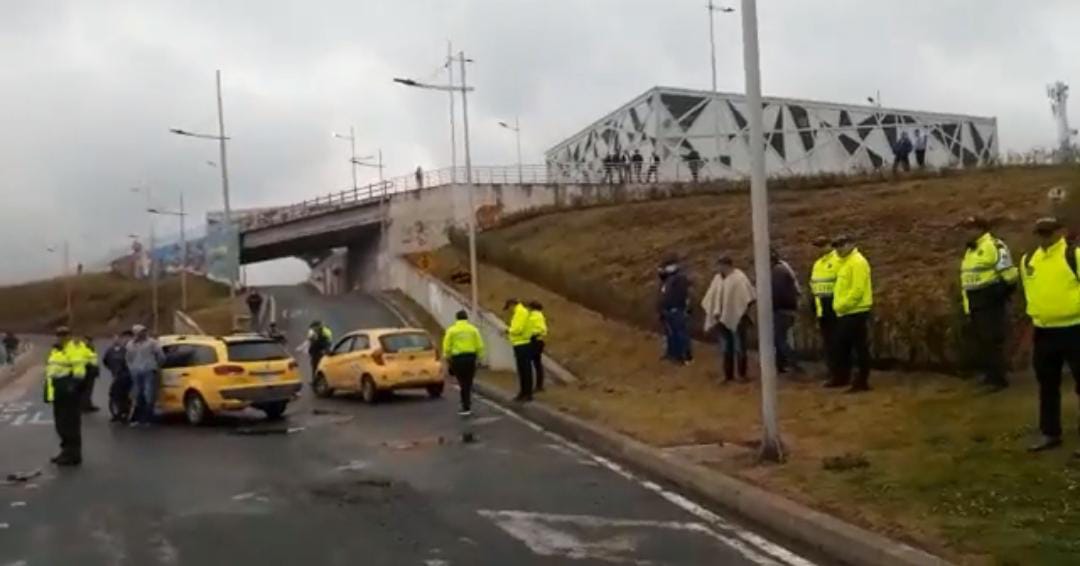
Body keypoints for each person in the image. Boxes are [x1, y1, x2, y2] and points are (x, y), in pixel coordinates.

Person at [1020, 218, 1080, 453]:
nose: (1044, 238)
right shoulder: (1029, 261)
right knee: (1047, 384)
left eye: (1049, 233)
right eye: (1040, 233)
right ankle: (1050, 433)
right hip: (1044, 332)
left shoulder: (1073, 256)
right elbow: (1031, 295)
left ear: (1061, 232)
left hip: (1075, 328)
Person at [959, 216, 1018, 391]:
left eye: (970, 229)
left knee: (992, 341)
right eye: (965, 229)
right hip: (975, 302)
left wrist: (996, 296)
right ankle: (989, 375)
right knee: (982, 342)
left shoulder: (994, 246)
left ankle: (998, 379)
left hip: (990, 302)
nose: (966, 233)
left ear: (981, 229)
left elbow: (1010, 276)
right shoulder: (971, 250)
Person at [827, 235, 874, 392]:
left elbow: (858, 290)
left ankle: (861, 380)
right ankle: (843, 377)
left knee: (858, 347)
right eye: (836, 247)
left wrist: (842, 305)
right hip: (846, 311)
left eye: (841, 246)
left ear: (850, 245)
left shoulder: (858, 262)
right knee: (843, 346)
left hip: (855, 311)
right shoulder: (846, 263)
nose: (838, 250)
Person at [701, 256, 755, 382]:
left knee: (739, 347)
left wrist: (742, 312)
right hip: (721, 318)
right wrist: (715, 311)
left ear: (727, 265)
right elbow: (712, 296)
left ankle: (742, 374)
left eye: (721, 265)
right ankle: (728, 375)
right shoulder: (717, 279)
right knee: (726, 347)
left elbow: (747, 297)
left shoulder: (739, 278)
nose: (719, 268)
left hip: (739, 319)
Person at [45, 326, 85, 466]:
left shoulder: (72, 350)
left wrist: (72, 386)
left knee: (70, 424)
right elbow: (51, 371)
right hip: (58, 391)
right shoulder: (55, 350)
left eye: (64, 335)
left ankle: (73, 454)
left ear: (69, 336)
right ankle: (65, 451)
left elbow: (79, 371)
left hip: (69, 391)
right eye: (59, 335)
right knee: (60, 424)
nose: (61, 337)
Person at [809, 237, 841, 381]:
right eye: (818, 246)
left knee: (837, 342)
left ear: (830, 245)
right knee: (828, 342)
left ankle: (839, 371)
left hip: (835, 307)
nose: (820, 249)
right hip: (822, 309)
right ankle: (831, 370)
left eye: (822, 246)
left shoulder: (837, 261)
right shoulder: (817, 264)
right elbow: (814, 286)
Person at [442, 310, 486, 416]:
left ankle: (465, 405)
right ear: (467, 318)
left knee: (462, 382)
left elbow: (447, 345)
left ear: (457, 318)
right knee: (468, 381)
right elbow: (480, 345)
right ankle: (467, 403)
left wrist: (447, 357)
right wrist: (480, 358)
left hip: (458, 358)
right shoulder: (473, 330)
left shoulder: (452, 330)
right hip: (470, 357)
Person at [125, 324, 165, 427]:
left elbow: (161, 356)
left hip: (149, 371)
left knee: (149, 395)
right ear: (135, 333)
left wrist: (156, 366)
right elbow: (128, 358)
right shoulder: (130, 345)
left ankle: (149, 419)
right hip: (136, 372)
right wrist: (131, 368)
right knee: (138, 395)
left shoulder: (152, 343)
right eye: (139, 332)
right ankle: (139, 419)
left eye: (143, 331)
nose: (142, 333)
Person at [771, 249, 803, 374]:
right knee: (780, 338)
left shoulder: (777, 272)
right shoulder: (784, 269)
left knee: (779, 338)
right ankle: (781, 365)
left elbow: (778, 293)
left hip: (782, 309)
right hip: (787, 308)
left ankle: (793, 362)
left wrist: (773, 306)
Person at [658, 256, 692, 365]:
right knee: (671, 333)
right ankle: (673, 354)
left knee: (680, 333)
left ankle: (685, 356)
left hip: (677, 310)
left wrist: (678, 307)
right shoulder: (668, 280)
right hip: (668, 310)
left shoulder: (679, 279)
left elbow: (680, 295)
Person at [505, 299, 534, 401]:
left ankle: (526, 393)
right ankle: (524, 392)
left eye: (509, 308)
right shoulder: (521, 312)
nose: (509, 311)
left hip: (522, 344)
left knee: (524, 370)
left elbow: (517, 329)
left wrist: (508, 330)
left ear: (512, 305)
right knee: (523, 370)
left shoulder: (520, 312)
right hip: (521, 343)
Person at [104, 330, 134, 423]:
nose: (116, 340)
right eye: (114, 338)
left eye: (117, 338)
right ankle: (118, 413)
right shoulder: (109, 351)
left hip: (125, 375)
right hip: (116, 375)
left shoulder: (125, 350)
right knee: (115, 394)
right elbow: (105, 361)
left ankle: (124, 413)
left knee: (124, 395)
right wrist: (112, 369)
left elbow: (130, 362)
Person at [527, 301, 548, 392]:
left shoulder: (535, 316)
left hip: (534, 341)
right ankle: (539, 385)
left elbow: (542, 329)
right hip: (538, 341)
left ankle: (536, 386)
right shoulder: (538, 316)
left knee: (531, 364)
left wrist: (532, 334)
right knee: (537, 364)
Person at [76, 335, 101, 412]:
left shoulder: (91, 348)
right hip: (86, 371)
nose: (89, 342)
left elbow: (94, 360)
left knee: (88, 390)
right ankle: (84, 406)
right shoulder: (84, 349)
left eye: (90, 341)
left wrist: (96, 370)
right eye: (88, 341)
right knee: (86, 389)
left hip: (90, 371)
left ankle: (87, 405)